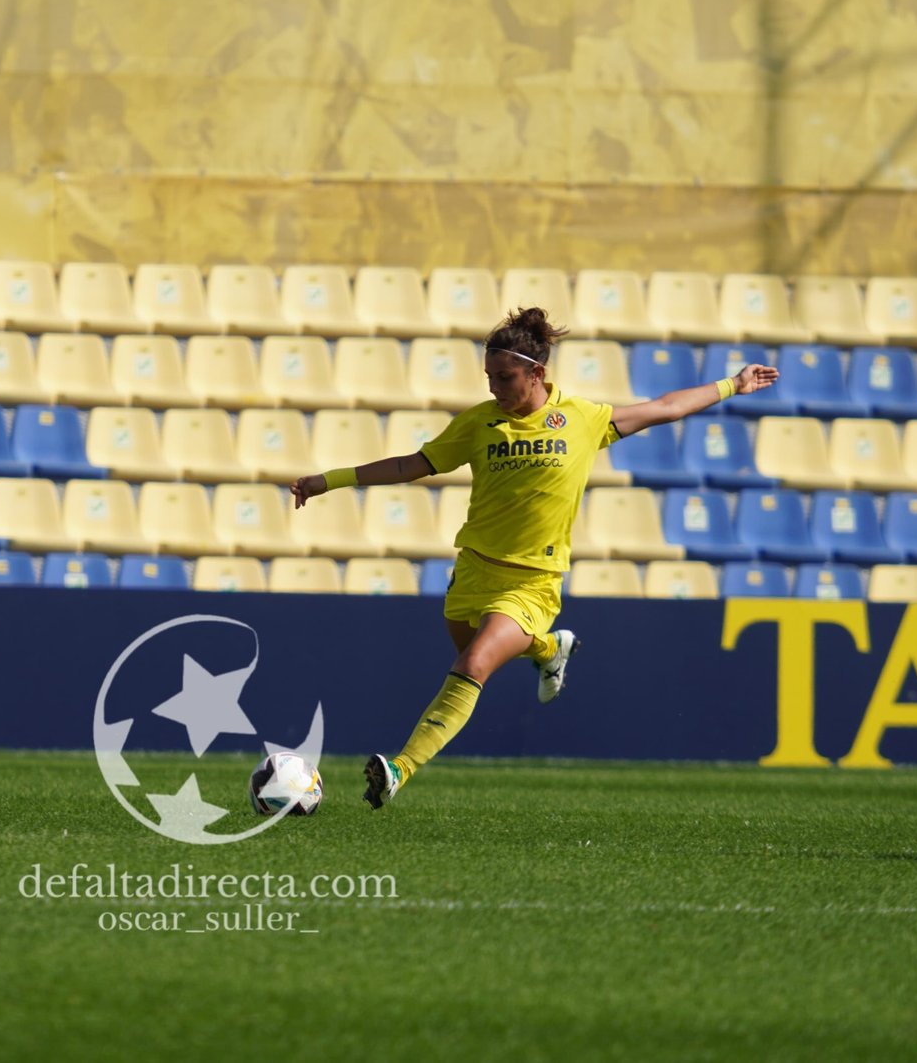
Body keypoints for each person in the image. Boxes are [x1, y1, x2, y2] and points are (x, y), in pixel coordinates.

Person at [290, 307, 779, 809]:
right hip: (475, 568)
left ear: (537, 373)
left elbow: (666, 407)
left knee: (474, 662)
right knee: (474, 653)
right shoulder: (480, 423)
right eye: (490, 377)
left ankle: (399, 768)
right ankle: (549, 650)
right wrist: (328, 480)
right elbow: (409, 465)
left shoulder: (584, 420)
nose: (495, 387)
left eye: (505, 378)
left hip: (532, 581)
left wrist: (732, 384)